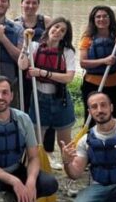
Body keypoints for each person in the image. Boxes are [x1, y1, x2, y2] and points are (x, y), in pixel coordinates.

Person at [18, 17, 76, 169]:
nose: (58, 31)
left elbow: (68, 78)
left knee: (65, 142)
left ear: (65, 35)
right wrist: (25, 43)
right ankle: (36, 170)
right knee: (37, 141)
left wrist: (42, 73)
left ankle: (71, 170)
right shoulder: (34, 46)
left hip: (60, 99)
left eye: (62, 30)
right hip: (39, 99)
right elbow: (22, 65)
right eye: (56, 27)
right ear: (49, 28)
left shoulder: (67, 52)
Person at [14, 0, 54, 162]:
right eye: (27, 2)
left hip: (43, 71)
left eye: (34, 3)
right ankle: (26, 147)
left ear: (38, 5)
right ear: (21, 3)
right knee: (25, 107)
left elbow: (56, 41)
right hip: (24, 71)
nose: (30, 6)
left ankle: (48, 151)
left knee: (47, 108)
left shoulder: (46, 21)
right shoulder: (15, 24)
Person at [79, 5, 116, 123]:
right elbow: (83, 63)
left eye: (105, 16)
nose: (102, 19)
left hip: (115, 84)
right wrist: (104, 61)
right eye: (98, 17)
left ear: (110, 18)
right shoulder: (87, 38)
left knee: (113, 118)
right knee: (91, 119)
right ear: (93, 20)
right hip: (93, 85)